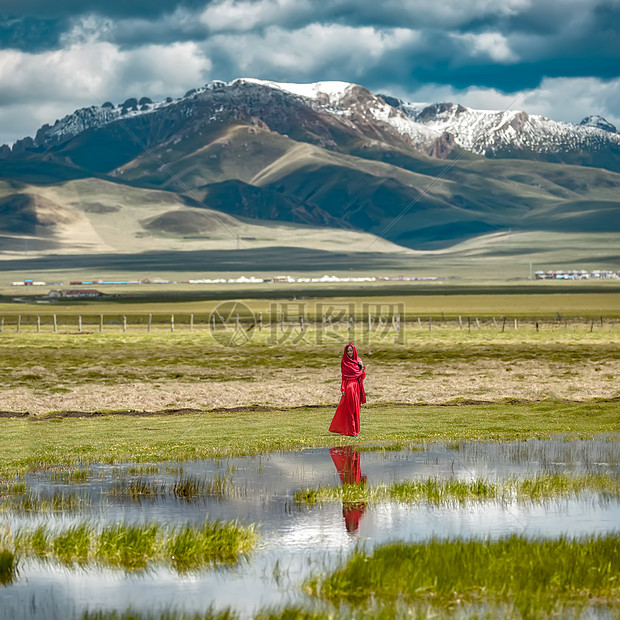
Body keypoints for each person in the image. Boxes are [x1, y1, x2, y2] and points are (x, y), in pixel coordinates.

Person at [329, 342, 366, 437]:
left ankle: (354, 430)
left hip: (357, 387)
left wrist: (362, 366)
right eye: (348, 351)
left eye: (351, 350)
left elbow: (362, 376)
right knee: (351, 408)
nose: (350, 353)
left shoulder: (358, 360)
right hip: (349, 387)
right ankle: (352, 431)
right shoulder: (344, 362)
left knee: (356, 409)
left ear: (354, 351)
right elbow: (344, 377)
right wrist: (343, 388)